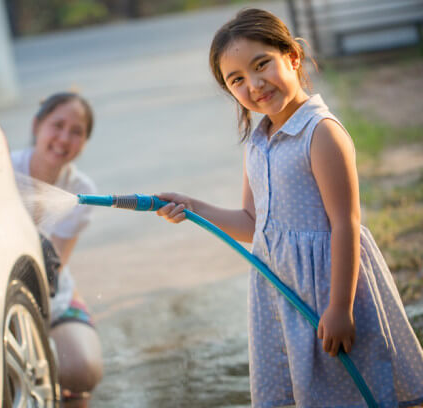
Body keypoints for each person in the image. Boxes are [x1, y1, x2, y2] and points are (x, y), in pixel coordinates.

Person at [156, 8, 423, 408]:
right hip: (282, 293)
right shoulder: (257, 141)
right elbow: (253, 223)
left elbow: (346, 226)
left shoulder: (321, 133)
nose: (254, 84)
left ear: (292, 57)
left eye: (262, 64)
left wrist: (339, 307)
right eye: (237, 80)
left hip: (329, 289)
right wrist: (193, 207)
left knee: (354, 389)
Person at [11, 92, 103, 407]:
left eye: (76, 132)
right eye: (57, 125)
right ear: (37, 125)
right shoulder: (2, 170)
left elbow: (56, 265)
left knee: (82, 370)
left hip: (52, 294)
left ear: (85, 143)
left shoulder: (82, 190)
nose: (64, 138)